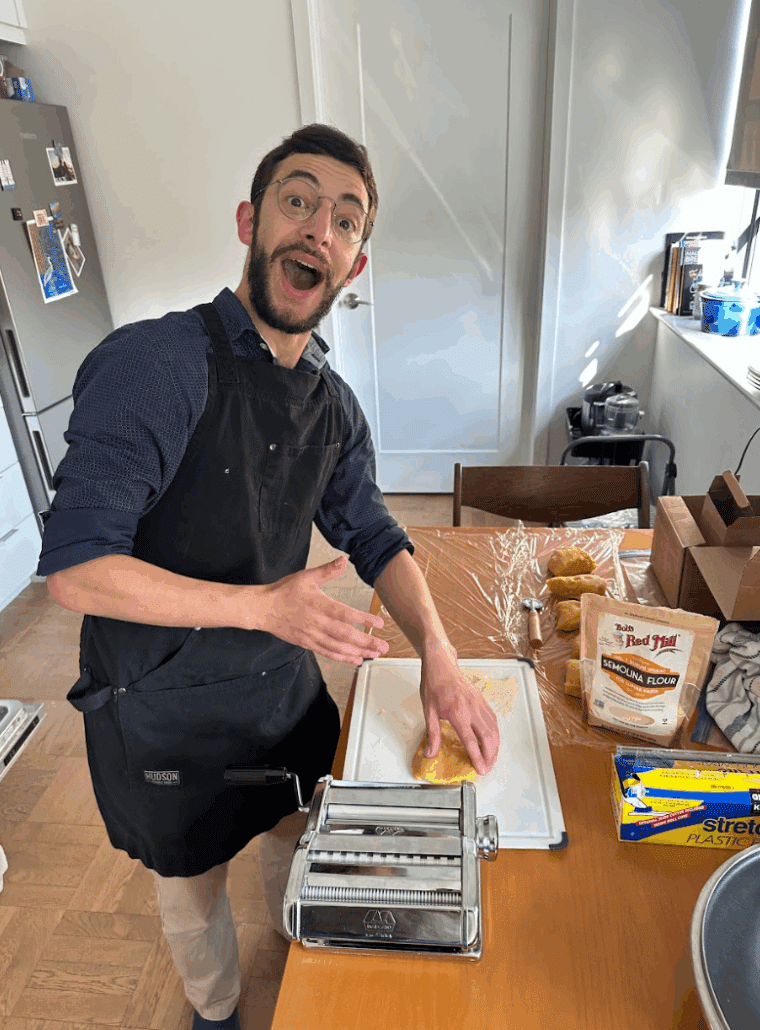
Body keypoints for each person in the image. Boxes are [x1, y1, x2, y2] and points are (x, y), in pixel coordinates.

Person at [38, 124, 500, 1030]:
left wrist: (440, 656)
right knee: (193, 892)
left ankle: (304, 958)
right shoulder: (155, 366)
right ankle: (217, 1014)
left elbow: (374, 534)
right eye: (298, 201)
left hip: (278, 692)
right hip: (162, 705)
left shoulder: (330, 403)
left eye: (345, 219)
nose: (318, 229)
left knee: (296, 837)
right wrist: (263, 605)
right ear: (252, 221)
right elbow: (76, 572)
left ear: (354, 266)